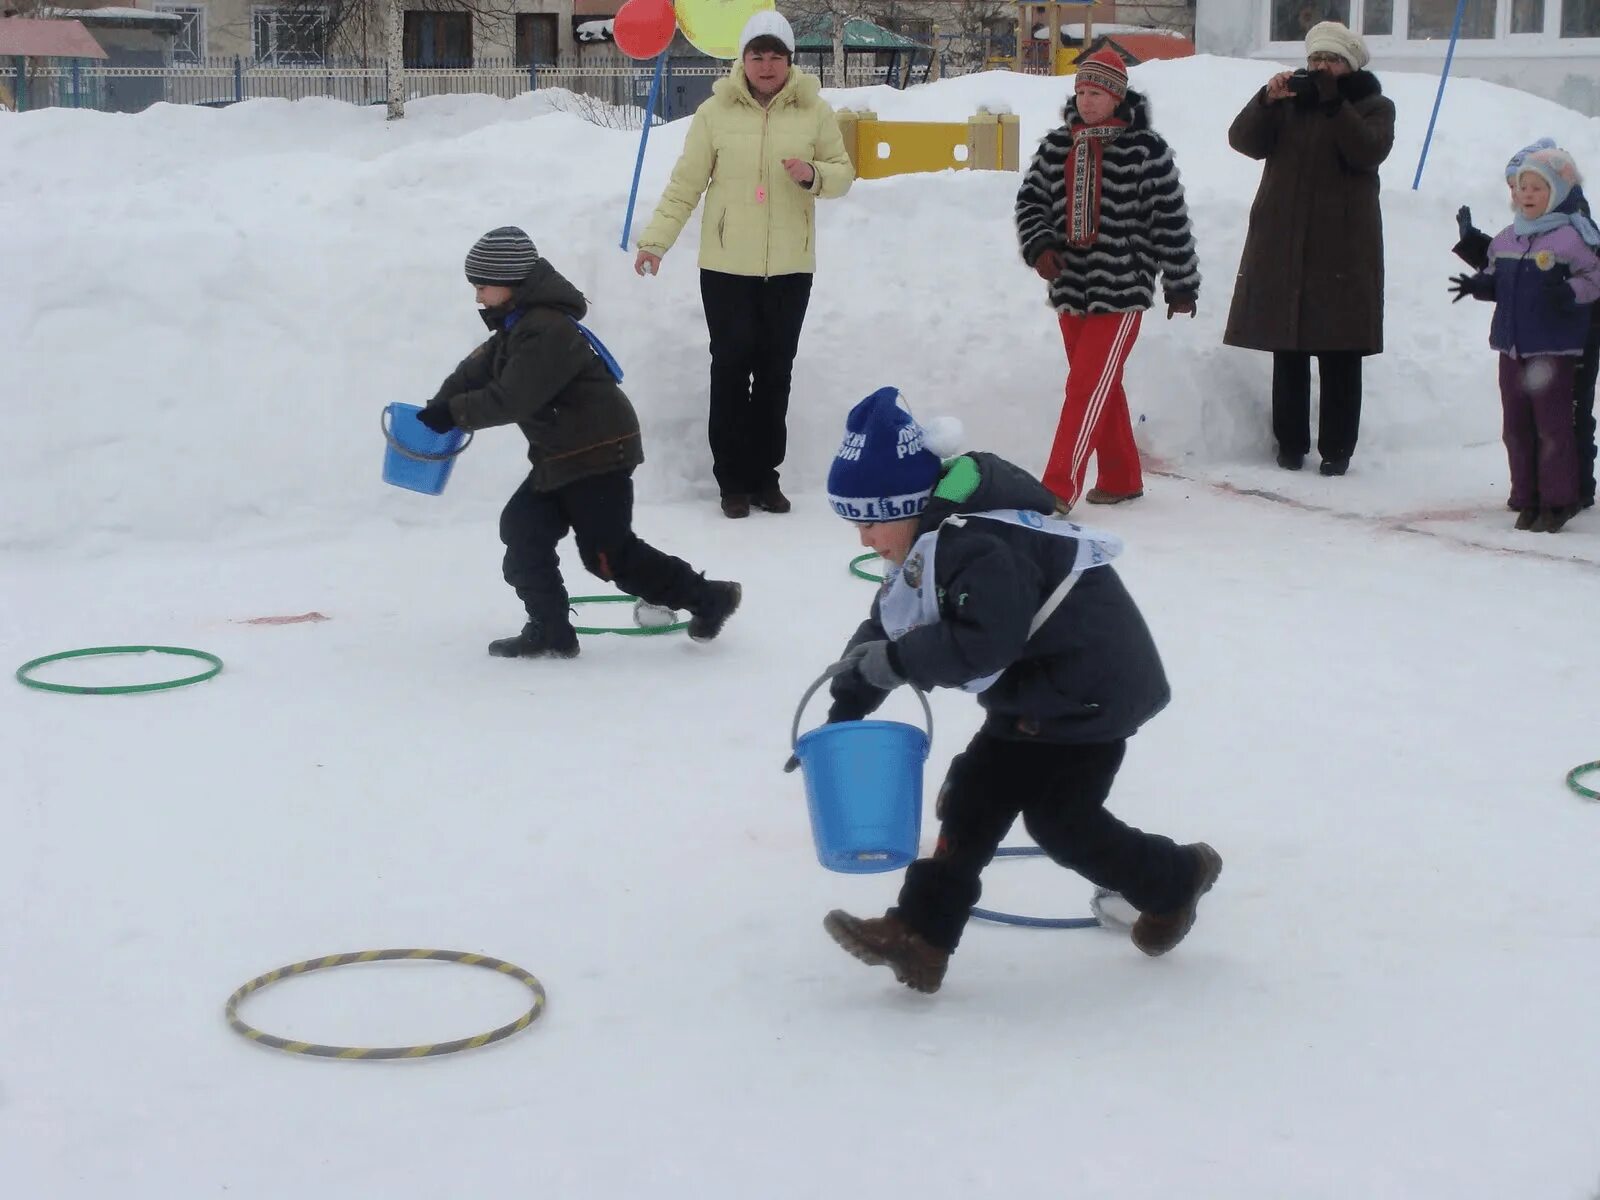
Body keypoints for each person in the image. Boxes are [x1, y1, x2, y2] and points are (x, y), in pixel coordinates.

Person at [812, 387, 1222, 995]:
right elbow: (894, 618)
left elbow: (983, 645)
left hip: (1090, 691)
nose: (864, 540)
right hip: (1035, 690)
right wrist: (848, 704)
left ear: (905, 504)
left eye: (870, 522)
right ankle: (921, 938)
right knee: (971, 799)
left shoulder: (978, 545)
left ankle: (1176, 879)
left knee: (1062, 823)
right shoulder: (933, 539)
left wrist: (895, 662)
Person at [418, 226, 742, 655]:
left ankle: (710, 598)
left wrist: (454, 414)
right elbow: (475, 369)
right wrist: (440, 403)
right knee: (522, 530)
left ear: (511, 281)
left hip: (599, 453)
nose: (477, 295)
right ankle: (550, 629)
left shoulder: (546, 330)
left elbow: (513, 398)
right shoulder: (516, 326)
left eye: (481, 285)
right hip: (562, 455)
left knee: (608, 557)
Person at [634, 11, 854, 520]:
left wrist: (813, 174)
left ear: (790, 60)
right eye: (757, 54)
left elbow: (843, 174)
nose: (767, 64)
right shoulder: (714, 113)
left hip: (790, 268)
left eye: (776, 54)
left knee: (776, 372)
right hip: (726, 268)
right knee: (731, 370)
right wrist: (656, 242)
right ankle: (732, 482)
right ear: (743, 59)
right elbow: (685, 185)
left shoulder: (814, 111)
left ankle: (765, 477)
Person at [1014, 47, 1201, 510]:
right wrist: (1040, 247)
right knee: (1099, 384)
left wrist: (1180, 282)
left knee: (1085, 388)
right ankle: (1120, 477)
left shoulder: (1146, 150)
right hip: (1070, 286)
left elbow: (1169, 220)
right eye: (1081, 91)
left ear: (1118, 97)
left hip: (1123, 286)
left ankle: (1056, 489)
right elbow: (1030, 202)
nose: (1087, 100)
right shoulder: (1058, 145)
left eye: (1096, 92)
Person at [1224, 21, 1395, 477]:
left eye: (1331, 61)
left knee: (1341, 351)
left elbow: (1367, 150)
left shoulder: (1374, 106)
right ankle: (1290, 443)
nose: (1321, 68)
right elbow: (1242, 141)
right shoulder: (1290, 106)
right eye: (1315, 60)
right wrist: (1266, 101)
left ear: (1349, 65)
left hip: (1343, 248)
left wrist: (1335, 104)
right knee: (1289, 346)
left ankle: (1338, 449)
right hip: (1285, 240)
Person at [1448, 147, 1600, 533]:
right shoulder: (1507, 238)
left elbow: (1593, 279)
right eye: (1520, 187)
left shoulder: (1571, 237)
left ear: (1556, 192)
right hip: (1512, 347)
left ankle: (1558, 500)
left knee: (1553, 427)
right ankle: (1526, 497)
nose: (1526, 194)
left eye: (1536, 188)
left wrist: (1569, 293)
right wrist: (1477, 286)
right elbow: (1498, 279)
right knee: (1515, 427)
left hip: (1553, 349)